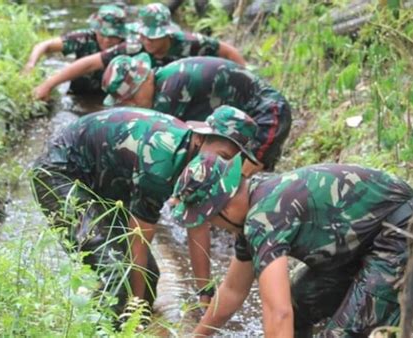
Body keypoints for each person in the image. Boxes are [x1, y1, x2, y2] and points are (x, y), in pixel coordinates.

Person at [31, 106, 259, 314]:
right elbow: (138, 239)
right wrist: (134, 311)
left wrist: (204, 292)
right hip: (60, 173)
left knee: (148, 279)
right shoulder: (160, 165)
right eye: (222, 156)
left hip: (104, 184)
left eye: (230, 160)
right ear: (200, 137)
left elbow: (197, 223)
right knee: (118, 274)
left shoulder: (200, 165)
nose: (222, 165)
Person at [168, 153, 413, 337]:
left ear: (225, 206)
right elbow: (233, 290)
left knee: (341, 334)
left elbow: (279, 314)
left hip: (402, 231)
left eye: (210, 219)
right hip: (358, 246)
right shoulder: (255, 207)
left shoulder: (263, 218)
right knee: (299, 303)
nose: (214, 226)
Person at [102, 54, 292, 173]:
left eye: (131, 98)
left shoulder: (170, 90)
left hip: (268, 116)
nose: (132, 105)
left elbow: (170, 149)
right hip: (247, 121)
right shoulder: (164, 81)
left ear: (143, 81)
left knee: (241, 177)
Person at [34, 3, 245, 100]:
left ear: (168, 34)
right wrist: (48, 84)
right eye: (145, 36)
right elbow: (90, 63)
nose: (149, 42)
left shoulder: (190, 42)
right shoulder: (134, 45)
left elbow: (228, 51)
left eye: (155, 37)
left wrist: (244, 76)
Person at [24, 4, 127, 94]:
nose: (106, 40)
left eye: (113, 36)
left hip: (112, 98)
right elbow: (44, 45)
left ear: (122, 34)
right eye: (102, 34)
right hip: (79, 95)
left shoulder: (127, 47)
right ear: (96, 30)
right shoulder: (84, 38)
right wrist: (30, 64)